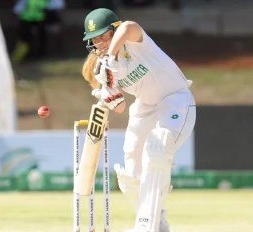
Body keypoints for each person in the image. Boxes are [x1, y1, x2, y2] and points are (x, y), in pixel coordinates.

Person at [81, 8, 196, 232]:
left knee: (158, 148)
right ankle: (156, 224)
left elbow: (129, 26)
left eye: (103, 36)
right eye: (94, 40)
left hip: (175, 100)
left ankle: (146, 227)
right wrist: (108, 95)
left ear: (113, 31)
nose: (100, 43)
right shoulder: (100, 68)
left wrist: (111, 57)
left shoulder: (135, 42)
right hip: (144, 108)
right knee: (131, 173)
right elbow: (121, 106)